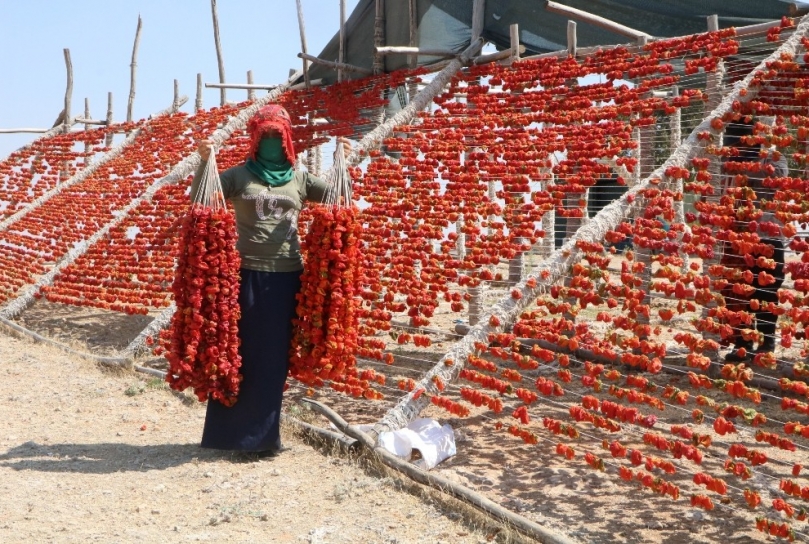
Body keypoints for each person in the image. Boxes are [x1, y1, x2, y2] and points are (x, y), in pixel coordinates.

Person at [191, 104, 350, 457]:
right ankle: (228, 436)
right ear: (254, 137)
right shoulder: (238, 175)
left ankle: (263, 439)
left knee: (274, 357)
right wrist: (204, 161)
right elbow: (201, 198)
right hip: (243, 274)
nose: (272, 141)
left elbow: (339, 197)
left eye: (278, 136)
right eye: (266, 135)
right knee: (237, 352)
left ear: (289, 139)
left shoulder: (300, 179)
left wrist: (344, 164)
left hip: (287, 277)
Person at [721, 118, 788, 363]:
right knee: (741, 294)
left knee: (768, 291)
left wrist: (751, 159)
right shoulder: (730, 160)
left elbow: (778, 177)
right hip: (740, 239)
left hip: (769, 235)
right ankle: (743, 343)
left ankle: (767, 341)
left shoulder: (776, 157)